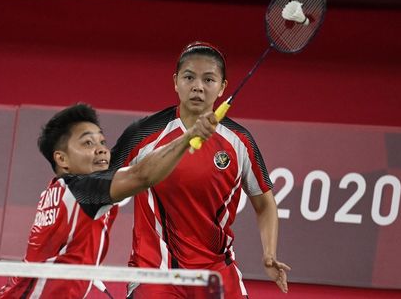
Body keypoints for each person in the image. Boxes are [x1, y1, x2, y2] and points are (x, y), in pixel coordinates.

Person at [110, 42, 291, 298]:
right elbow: (102, 185)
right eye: (189, 77)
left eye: (209, 79)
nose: (198, 86)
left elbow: (265, 203)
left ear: (222, 87)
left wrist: (269, 253)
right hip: (156, 271)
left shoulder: (240, 141)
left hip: (216, 270)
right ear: (175, 82)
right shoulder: (145, 133)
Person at [0, 103, 218, 298]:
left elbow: (123, 152)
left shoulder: (59, 190)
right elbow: (141, 176)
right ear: (62, 159)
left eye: (102, 142)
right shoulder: (83, 190)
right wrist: (188, 135)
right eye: (88, 143)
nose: (101, 150)